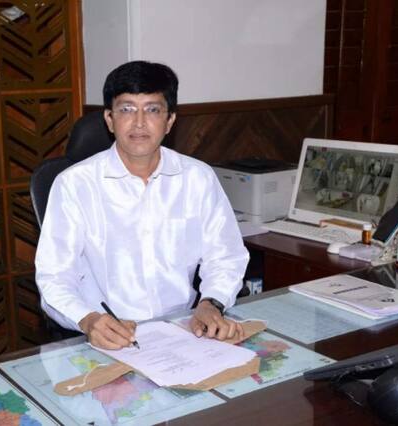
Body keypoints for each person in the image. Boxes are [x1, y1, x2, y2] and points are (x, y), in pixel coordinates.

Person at [35, 61, 249, 350]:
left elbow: (226, 256)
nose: (139, 123)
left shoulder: (197, 177)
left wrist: (211, 303)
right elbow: (54, 277)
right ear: (109, 119)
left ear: (170, 121)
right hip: (106, 336)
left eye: (152, 110)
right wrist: (88, 320)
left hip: (184, 331)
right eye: (126, 109)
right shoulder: (74, 184)